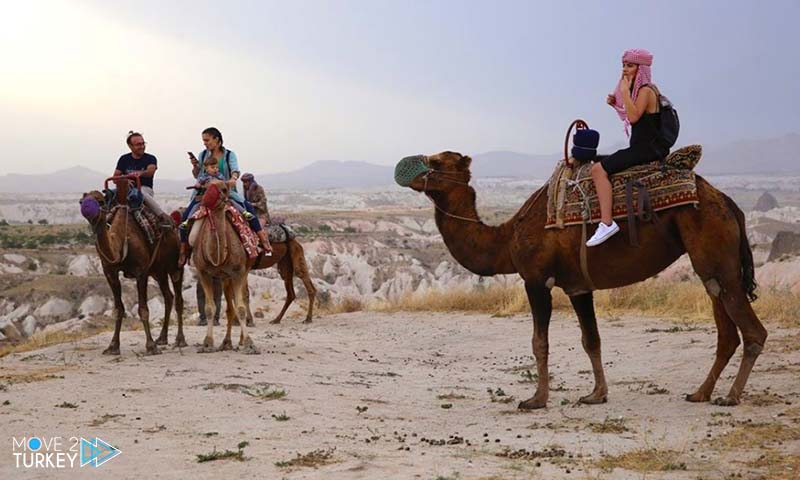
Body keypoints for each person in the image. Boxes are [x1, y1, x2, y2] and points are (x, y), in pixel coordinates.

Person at [586, 49, 669, 247]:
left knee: (598, 170)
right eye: (624, 65)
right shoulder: (646, 90)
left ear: (641, 69)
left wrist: (624, 92)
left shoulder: (646, 91)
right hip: (645, 147)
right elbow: (631, 115)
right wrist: (616, 103)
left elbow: (633, 117)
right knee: (597, 160)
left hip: (644, 150)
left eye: (630, 65)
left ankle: (606, 223)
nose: (625, 70)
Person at [178, 127, 271, 267]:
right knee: (185, 217)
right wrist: (196, 166)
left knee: (249, 209)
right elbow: (199, 175)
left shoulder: (229, 155)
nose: (205, 143)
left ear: (217, 139)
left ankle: (262, 240)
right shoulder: (203, 155)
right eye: (203, 140)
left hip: (226, 191)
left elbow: (235, 170)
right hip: (205, 193)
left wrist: (233, 179)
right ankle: (184, 250)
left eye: (207, 140)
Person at [113, 131, 173, 229]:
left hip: (144, 188)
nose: (141, 146)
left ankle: (162, 216)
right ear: (130, 146)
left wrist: (141, 173)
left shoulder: (150, 158)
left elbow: (151, 171)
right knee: (109, 195)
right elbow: (115, 177)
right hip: (126, 189)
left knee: (142, 194)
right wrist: (124, 180)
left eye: (143, 143)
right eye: (138, 144)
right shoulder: (124, 159)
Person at [179, 155, 253, 229]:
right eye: (212, 167)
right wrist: (198, 185)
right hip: (206, 197)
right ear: (206, 169)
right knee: (195, 206)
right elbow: (198, 183)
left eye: (216, 167)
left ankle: (244, 212)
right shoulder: (203, 177)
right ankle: (187, 221)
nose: (215, 169)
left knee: (232, 202)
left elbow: (224, 184)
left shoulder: (220, 176)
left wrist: (226, 183)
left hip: (220, 197)